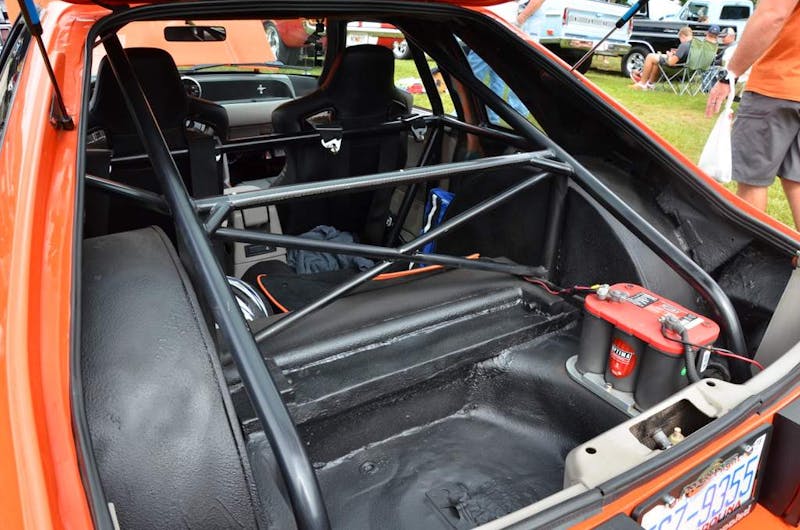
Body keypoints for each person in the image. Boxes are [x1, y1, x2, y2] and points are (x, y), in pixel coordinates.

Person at [705, 0, 800, 230]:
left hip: (778, 83)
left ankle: (749, 257)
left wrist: (731, 73)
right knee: (796, 180)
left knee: (751, 179)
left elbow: (772, 14)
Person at [630, 26, 694, 90]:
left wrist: (669, 55)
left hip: (677, 69)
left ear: (683, 36)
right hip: (687, 70)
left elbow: (671, 62)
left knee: (650, 56)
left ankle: (642, 83)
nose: (680, 41)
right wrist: (676, 52)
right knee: (656, 61)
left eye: (680, 39)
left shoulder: (684, 45)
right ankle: (650, 84)